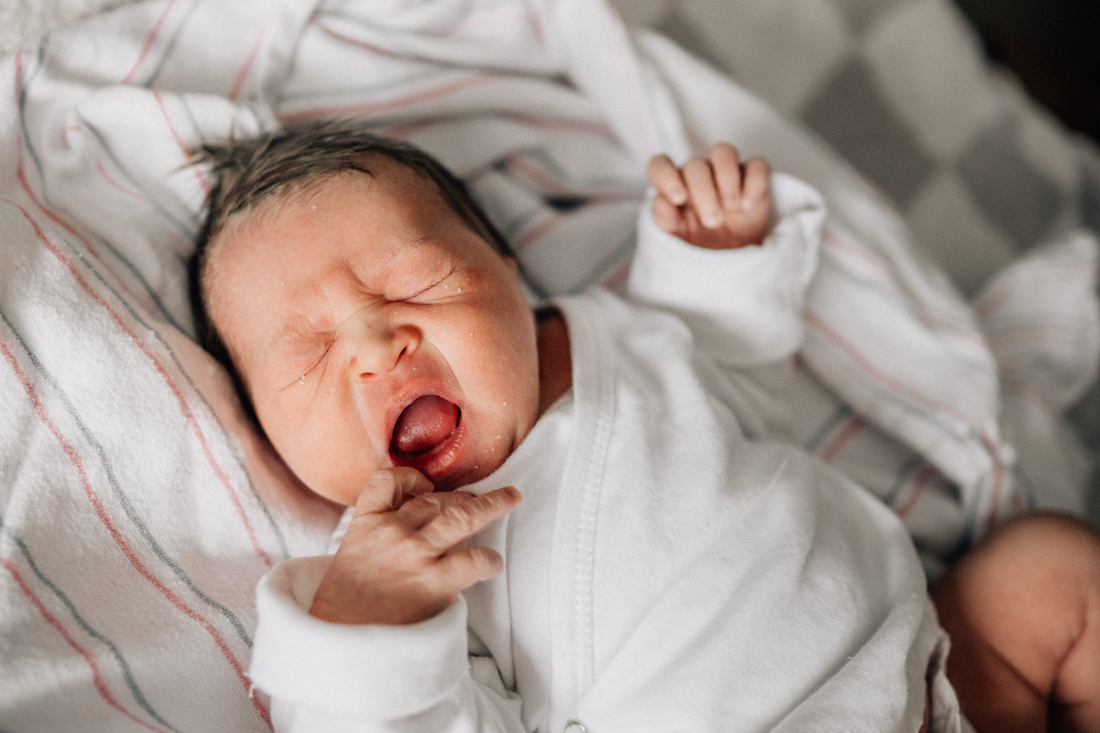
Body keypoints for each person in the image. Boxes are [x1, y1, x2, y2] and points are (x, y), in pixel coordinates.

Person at [190, 120, 1100, 733]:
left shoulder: (617, 335)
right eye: (305, 355)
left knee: (1054, 572)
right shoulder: (394, 578)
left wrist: (712, 267)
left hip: (918, 666)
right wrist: (365, 639)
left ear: (510, 272)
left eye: (414, 280)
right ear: (267, 435)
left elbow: (738, 385)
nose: (376, 345)